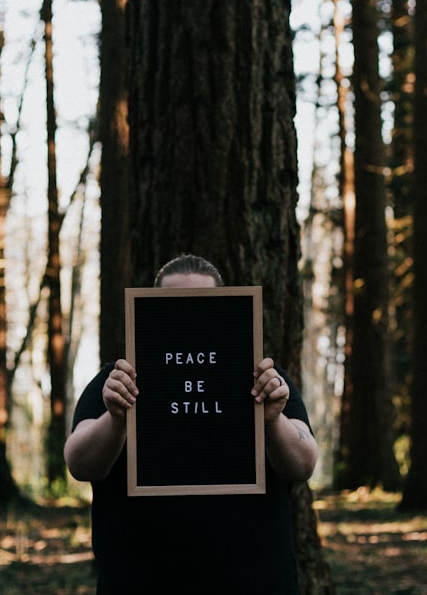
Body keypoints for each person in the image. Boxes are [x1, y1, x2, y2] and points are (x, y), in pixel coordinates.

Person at [65, 254, 318, 594]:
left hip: (253, 583)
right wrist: (116, 418)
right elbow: (79, 463)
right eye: (172, 304)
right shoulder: (117, 380)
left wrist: (272, 422)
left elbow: (303, 464)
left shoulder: (262, 378)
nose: (187, 314)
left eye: (202, 303)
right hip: (140, 582)